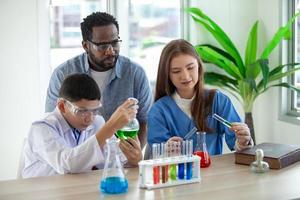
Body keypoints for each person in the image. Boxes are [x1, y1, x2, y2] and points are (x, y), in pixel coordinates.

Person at [45, 12, 152, 148]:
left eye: (114, 43)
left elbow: (145, 121)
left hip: (120, 158)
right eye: (102, 46)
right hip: (75, 159)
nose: (110, 51)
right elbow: (53, 122)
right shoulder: (63, 74)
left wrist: (132, 157)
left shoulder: (135, 73)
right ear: (85, 46)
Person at [22, 74, 142, 178]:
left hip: (74, 190)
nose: (89, 118)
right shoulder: (41, 129)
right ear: (62, 106)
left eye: (94, 110)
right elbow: (67, 165)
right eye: (82, 111)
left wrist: (133, 160)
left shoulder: (97, 122)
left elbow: (111, 162)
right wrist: (110, 127)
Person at [147, 39, 252, 155]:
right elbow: (156, 153)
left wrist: (243, 141)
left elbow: (238, 145)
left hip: (214, 172)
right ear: (167, 74)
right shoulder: (159, 111)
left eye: (190, 67)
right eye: (176, 71)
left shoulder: (218, 101)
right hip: (177, 172)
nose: (185, 76)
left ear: (199, 66)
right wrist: (166, 151)